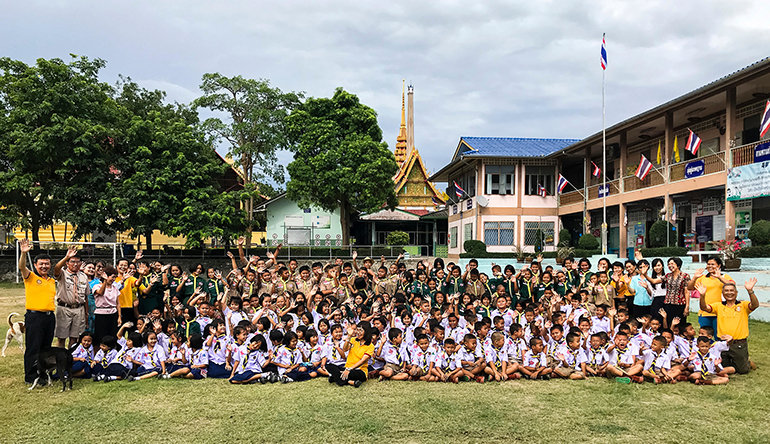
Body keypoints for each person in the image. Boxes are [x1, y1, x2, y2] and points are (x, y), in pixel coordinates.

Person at [697, 278, 759, 374]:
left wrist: (750, 291)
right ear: (723, 293)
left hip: (738, 343)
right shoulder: (719, 305)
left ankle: (747, 362)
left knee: (742, 371)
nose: (729, 293)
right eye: (726, 291)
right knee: (722, 366)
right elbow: (704, 307)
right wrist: (702, 295)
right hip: (723, 343)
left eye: (731, 290)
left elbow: (755, 305)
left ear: (736, 292)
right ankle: (738, 361)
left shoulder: (743, 305)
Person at [18, 239, 57, 384]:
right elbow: (22, 267)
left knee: (46, 348)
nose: (44, 266)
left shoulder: (51, 280)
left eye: (47, 264)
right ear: (35, 265)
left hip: (49, 317)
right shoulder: (31, 277)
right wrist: (23, 253)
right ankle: (31, 376)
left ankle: (43, 374)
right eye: (41, 264)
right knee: (33, 347)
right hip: (35, 317)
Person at [53, 246, 91, 349]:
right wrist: (66, 257)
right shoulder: (63, 274)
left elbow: (86, 296)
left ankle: (71, 359)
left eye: (78, 262)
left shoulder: (83, 276)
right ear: (67, 263)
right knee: (61, 337)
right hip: (64, 308)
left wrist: (86, 313)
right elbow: (56, 269)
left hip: (79, 309)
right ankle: (60, 360)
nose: (75, 264)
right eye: (72, 261)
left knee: (75, 338)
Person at [688, 256, 734, 336]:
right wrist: (695, 278)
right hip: (705, 312)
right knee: (705, 337)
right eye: (708, 264)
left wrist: (719, 277)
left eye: (713, 264)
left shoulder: (724, 277)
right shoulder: (702, 278)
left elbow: (732, 285)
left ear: (719, 266)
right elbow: (690, 288)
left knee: (719, 336)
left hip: (720, 312)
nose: (710, 266)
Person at [327, 321, 375, 387]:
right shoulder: (353, 340)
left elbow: (362, 361)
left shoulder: (370, 346)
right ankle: (350, 382)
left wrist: (349, 369)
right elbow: (345, 349)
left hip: (360, 371)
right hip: (347, 367)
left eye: (360, 330)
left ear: (366, 332)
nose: (358, 332)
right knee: (329, 366)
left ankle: (336, 378)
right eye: (357, 330)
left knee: (346, 373)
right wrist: (349, 336)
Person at [93, 266, 123, 345]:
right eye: (112, 277)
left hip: (113, 313)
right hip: (101, 313)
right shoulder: (97, 286)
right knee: (100, 337)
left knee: (113, 336)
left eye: (115, 278)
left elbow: (117, 303)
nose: (113, 279)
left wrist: (119, 316)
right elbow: (100, 293)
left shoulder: (115, 288)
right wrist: (105, 282)